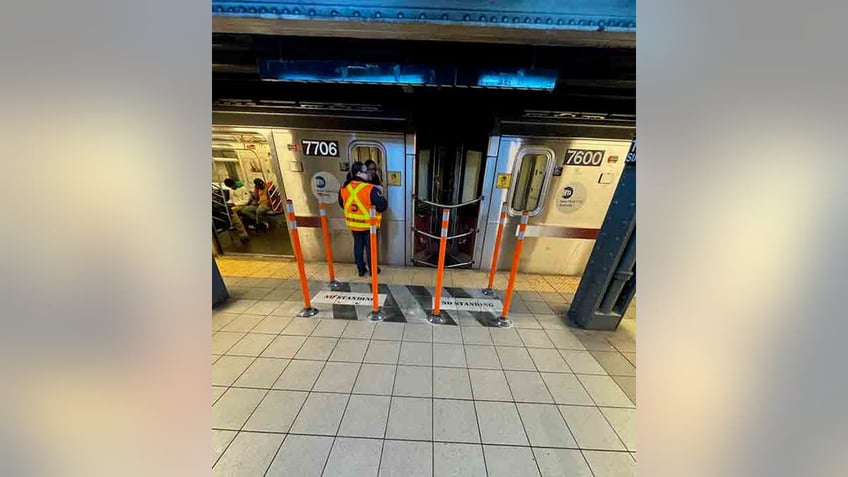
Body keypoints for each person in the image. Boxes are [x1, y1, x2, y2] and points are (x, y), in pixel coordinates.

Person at [339, 162, 388, 276]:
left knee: (358, 246)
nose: (368, 174)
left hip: (354, 224)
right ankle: (373, 269)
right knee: (371, 248)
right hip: (368, 225)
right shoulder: (370, 189)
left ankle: (361, 269)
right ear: (359, 173)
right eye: (366, 172)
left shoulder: (344, 188)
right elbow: (383, 205)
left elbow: (342, 204)